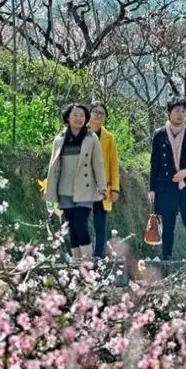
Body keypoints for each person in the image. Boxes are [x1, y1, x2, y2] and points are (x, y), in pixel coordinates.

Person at [44, 103, 107, 262]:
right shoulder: (59, 140)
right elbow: (54, 167)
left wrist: (102, 185)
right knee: (71, 227)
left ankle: (88, 262)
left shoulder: (91, 138)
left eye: (82, 115)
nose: (79, 118)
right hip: (64, 189)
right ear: (68, 118)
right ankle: (78, 264)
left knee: (81, 224)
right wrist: (51, 192)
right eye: (75, 115)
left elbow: (98, 164)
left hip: (84, 189)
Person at [150, 97, 186, 261]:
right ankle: (166, 257)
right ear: (169, 113)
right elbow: (155, 164)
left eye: (183, 111)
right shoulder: (159, 135)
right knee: (168, 223)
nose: (180, 114)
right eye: (176, 110)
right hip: (166, 186)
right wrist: (152, 189)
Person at [87, 102, 120, 258]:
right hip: (83, 185)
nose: (98, 115)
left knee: (100, 224)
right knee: (83, 222)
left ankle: (98, 257)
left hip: (102, 187)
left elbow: (114, 164)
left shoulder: (109, 138)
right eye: (95, 112)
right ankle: (83, 258)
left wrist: (115, 189)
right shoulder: (80, 133)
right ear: (89, 114)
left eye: (102, 113)